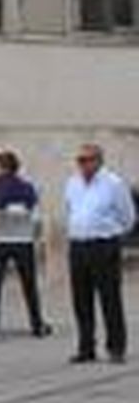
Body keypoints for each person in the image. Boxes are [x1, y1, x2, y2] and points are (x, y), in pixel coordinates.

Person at [64, 142, 134, 365]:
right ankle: (86, 347)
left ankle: (116, 347)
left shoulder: (113, 184)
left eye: (86, 160)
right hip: (78, 245)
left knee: (109, 297)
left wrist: (110, 235)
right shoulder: (72, 183)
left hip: (103, 246)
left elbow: (128, 217)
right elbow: (70, 209)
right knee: (81, 300)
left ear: (98, 161)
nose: (82, 165)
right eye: (79, 160)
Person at [0, 149, 49, 341]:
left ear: (1, 167)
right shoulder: (28, 188)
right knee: (29, 285)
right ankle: (37, 324)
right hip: (23, 242)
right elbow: (37, 219)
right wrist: (38, 243)